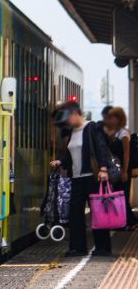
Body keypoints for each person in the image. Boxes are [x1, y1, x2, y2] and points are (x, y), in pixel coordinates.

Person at [51, 101, 113, 256]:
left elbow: (101, 148)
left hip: (93, 177)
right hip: (77, 178)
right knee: (75, 213)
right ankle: (78, 248)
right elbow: (70, 154)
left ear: (74, 114)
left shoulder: (92, 127)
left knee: (97, 212)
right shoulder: (72, 131)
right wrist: (61, 161)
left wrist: (103, 169)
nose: (66, 122)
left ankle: (103, 247)